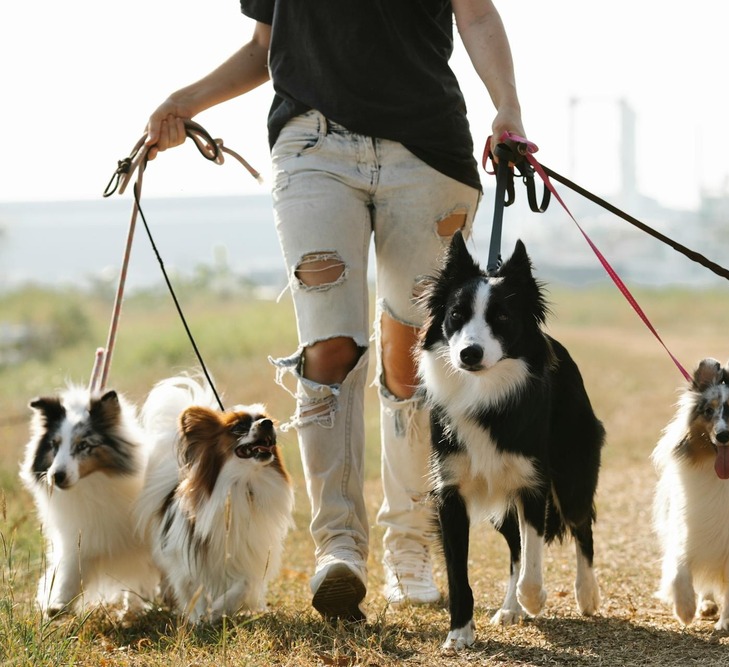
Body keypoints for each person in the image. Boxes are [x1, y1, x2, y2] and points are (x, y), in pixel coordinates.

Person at [144, 0, 525, 622]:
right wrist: (185, 100)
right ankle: (339, 549)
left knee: (413, 357)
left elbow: (476, 15)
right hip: (312, 147)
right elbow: (263, 44)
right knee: (328, 348)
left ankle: (410, 546)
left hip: (426, 152)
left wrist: (507, 106)